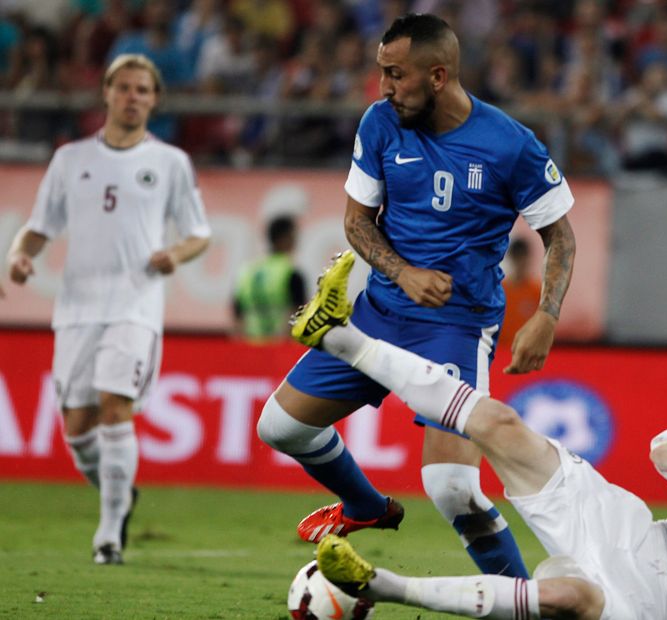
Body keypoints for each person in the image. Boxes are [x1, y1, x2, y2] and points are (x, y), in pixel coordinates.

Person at [291, 253, 667, 619]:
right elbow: (662, 451)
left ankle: (376, 586)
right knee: (502, 426)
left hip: (660, 613)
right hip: (637, 536)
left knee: (569, 598)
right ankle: (338, 335)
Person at [258, 13, 576, 580]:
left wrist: (547, 316)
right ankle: (365, 506)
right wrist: (402, 273)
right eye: (382, 72)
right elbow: (357, 222)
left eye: (395, 74)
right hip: (379, 314)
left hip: (455, 328)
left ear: (437, 76)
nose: (383, 86)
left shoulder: (509, 144)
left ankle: (522, 601)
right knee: (279, 428)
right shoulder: (381, 122)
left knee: (452, 488)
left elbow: (561, 236)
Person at [5, 53, 211, 565]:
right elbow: (39, 227)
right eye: (124, 87)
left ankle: (109, 534)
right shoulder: (70, 159)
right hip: (77, 308)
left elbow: (199, 233)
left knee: (115, 406)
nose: (132, 97)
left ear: (155, 99)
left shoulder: (169, 162)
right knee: (77, 429)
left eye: (142, 89)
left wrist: (175, 254)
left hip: (135, 304)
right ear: (106, 93)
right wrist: (19, 255)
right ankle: (119, 492)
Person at [232, 215, 307, 343]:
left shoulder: (248, 271)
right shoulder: (291, 272)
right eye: (293, 236)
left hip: (249, 345)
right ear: (284, 238)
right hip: (279, 347)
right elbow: (297, 316)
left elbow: (237, 317)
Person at [498, 237, 541, 352]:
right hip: (501, 351)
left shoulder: (536, 291)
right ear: (512, 259)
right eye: (518, 257)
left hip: (526, 351)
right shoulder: (500, 291)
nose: (521, 262)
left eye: (523, 257)